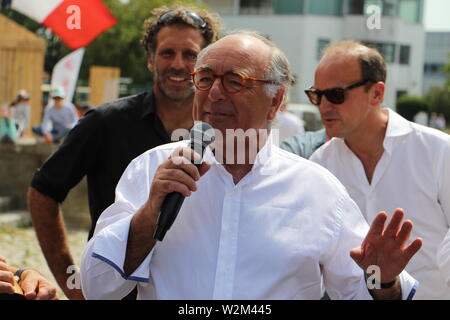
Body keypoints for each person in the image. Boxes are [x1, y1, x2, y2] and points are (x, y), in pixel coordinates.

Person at [80, 32, 421, 300]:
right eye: (205, 78)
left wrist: (383, 280)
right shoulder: (150, 169)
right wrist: (149, 214)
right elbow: (98, 288)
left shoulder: (317, 189)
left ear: (275, 101)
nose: (214, 93)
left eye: (234, 81)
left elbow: (361, 292)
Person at [27, 5, 222, 300]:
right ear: (150, 60)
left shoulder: (223, 133)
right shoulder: (106, 122)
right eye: (167, 53)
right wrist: (74, 284)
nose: (179, 64)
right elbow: (42, 192)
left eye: (191, 54)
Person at [307, 40, 450, 299]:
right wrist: (380, 282)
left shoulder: (438, 150)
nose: (324, 106)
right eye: (317, 95)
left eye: (336, 95)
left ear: (376, 93)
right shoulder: (320, 164)